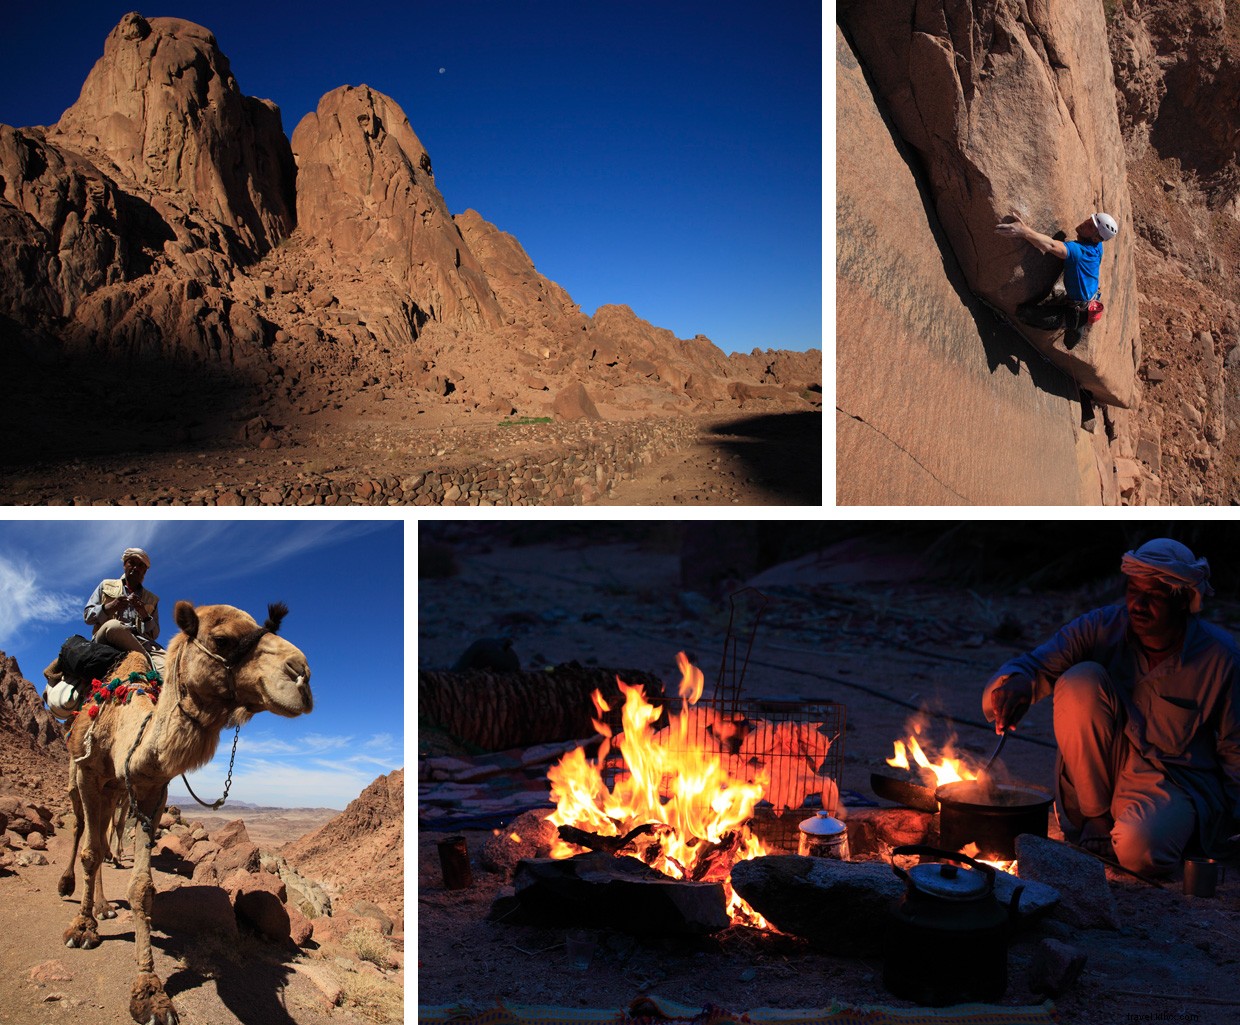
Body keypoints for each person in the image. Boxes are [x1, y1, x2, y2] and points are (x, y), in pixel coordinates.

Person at [981, 538, 1240, 877]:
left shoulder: (1221, 658)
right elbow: (1034, 666)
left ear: (1182, 601)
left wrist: (1232, 824)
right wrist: (1015, 684)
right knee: (1079, 679)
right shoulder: (1099, 628)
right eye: (1133, 591)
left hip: (1170, 782)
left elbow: (1235, 749)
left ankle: (1159, 830)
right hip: (1099, 772)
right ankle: (1096, 819)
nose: (1138, 605)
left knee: (1140, 853)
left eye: (1154, 596)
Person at [993, 210, 1118, 349]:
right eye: (1089, 220)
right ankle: (1075, 324)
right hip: (1087, 299)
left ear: (1096, 238)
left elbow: (1051, 245)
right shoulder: (1098, 246)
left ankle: (1071, 325)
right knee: (1076, 320)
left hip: (1075, 310)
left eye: (1090, 226)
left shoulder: (1079, 252)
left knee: (1024, 314)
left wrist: (1023, 231)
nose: (1084, 223)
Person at [84, 547, 166, 676]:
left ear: (145, 571)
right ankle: (146, 662)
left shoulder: (152, 599)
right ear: (124, 565)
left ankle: (147, 662)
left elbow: (154, 634)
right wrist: (110, 607)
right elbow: (87, 617)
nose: (136, 568)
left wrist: (143, 613)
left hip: (142, 642)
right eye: (131, 563)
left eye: (141, 566)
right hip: (107, 636)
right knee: (113, 626)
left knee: (169, 666)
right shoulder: (106, 585)